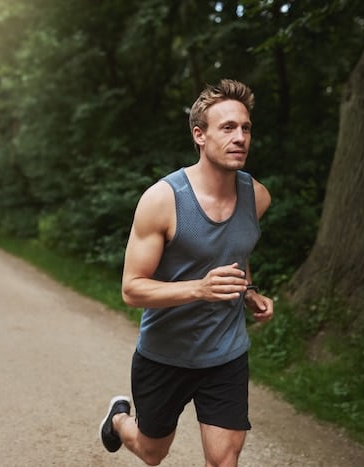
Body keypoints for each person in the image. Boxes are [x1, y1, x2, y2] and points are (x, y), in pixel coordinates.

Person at [99, 78, 274, 467]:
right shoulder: (163, 200)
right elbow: (132, 289)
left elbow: (234, 251)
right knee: (152, 452)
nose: (240, 137)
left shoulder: (256, 196)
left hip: (226, 354)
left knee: (223, 460)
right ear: (200, 135)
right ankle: (118, 420)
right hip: (165, 354)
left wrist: (248, 290)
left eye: (245, 128)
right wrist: (199, 289)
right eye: (227, 128)